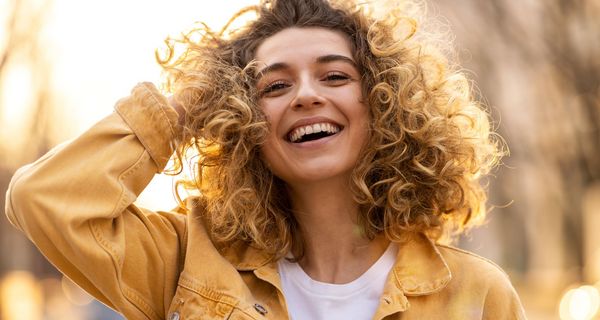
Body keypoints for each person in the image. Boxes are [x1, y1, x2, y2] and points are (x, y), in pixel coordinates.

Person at [5, 0, 527, 319]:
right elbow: (43, 200)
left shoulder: (475, 294)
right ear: (244, 119)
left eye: (335, 76)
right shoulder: (185, 262)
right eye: (275, 85)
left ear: (387, 105)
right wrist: (187, 107)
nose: (305, 95)